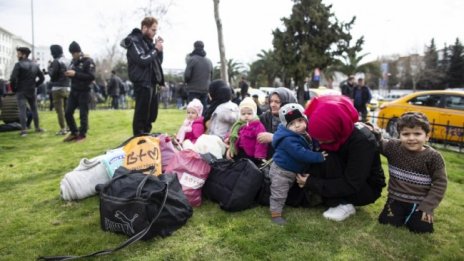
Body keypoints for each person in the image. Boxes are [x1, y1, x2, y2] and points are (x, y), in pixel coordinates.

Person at [296, 95, 385, 221]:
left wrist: (312, 182)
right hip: (343, 175)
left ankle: (342, 203)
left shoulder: (362, 142)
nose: (320, 142)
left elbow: (352, 182)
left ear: (336, 129)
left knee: (327, 157)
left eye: (324, 138)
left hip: (365, 188)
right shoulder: (340, 132)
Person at [378, 112, 447, 233]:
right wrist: (370, 128)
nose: (411, 138)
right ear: (399, 135)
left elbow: (440, 183)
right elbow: (375, 140)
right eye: (405, 134)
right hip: (395, 199)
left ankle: (417, 217)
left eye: (417, 133)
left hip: (419, 203)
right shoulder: (392, 147)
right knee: (386, 222)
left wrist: (428, 206)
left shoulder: (434, 157)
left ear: (427, 136)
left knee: (421, 229)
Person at [270, 103, 327, 224]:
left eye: (300, 120)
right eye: (291, 124)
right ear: (286, 126)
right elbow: (301, 153)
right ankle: (276, 214)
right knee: (279, 193)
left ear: (305, 119)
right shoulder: (288, 139)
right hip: (282, 171)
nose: (297, 125)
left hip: (293, 169)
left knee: (287, 191)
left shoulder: (303, 133)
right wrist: (318, 157)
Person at [121, 16, 165, 136]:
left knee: (151, 114)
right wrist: (155, 49)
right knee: (142, 113)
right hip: (142, 81)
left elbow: (157, 62)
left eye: (156, 30)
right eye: (153, 30)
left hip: (152, 82)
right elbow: (142, 59)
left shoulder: (148, 43)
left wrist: (159, 49)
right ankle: (139, 137)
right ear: (144, 27)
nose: (154, 33)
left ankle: (146, 135)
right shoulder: (133, 40)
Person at [63, 41, 96, 142]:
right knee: (68, 112)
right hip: (74, 91)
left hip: (84, 91)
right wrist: (69, 74)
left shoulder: (88, 61)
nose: (73, 56)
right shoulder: (73, 62)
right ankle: (74, 132)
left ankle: (82, 134)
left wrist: (75, 74)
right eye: (71, 54)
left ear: (78, 52)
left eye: (73, 53)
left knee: (83, 114)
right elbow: (73, 72)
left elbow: (91, 76)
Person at [9, 47, 45, 136]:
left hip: (21, 90)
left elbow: (13, 79)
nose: (17, 55)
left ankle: (24, 130)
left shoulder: (18, 64)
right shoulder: (35, 65)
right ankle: (37, 128)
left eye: (18, 53)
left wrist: (14, 89)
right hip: (32, 90)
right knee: (34, 109)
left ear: (24, 55)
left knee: (22, 110)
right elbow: (42, 78)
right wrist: (35, 85)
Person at [258, 87, 298, 159]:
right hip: (267, 161)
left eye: (277, 102)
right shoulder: (264, 117)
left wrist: (274, 137)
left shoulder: (297, 119)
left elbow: (299, 143)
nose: (272, 105)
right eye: (271, 101)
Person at [226, 97, 267, 165]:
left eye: (249, 113)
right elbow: (231, 132)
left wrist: (259, 155)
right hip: (238, 151)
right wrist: (228, 138)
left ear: (254, 113)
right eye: (243, 114)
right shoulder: (238, 124)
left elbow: (260, 142)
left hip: (251, 154)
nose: (246, 116)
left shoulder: (258, 125)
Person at [48, 44, 71, 135]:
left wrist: (49, 69)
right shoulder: (68, 61)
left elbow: (53, 76)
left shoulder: (56, 61)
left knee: (60, 110)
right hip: (68, 87)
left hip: (57, 88)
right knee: (67, 109)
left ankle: (63, 129)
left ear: (54, 52)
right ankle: (70, 127)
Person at [184, 41, 213, 112]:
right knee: (203, 110)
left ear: (194, 47)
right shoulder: (209, 61)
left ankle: (193, 123)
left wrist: (186, 82)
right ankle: (202, 123)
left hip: (193, 89)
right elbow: (211, 76)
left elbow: (187, 75)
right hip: (205, 89)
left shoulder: (192, 59)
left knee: (192, 110)